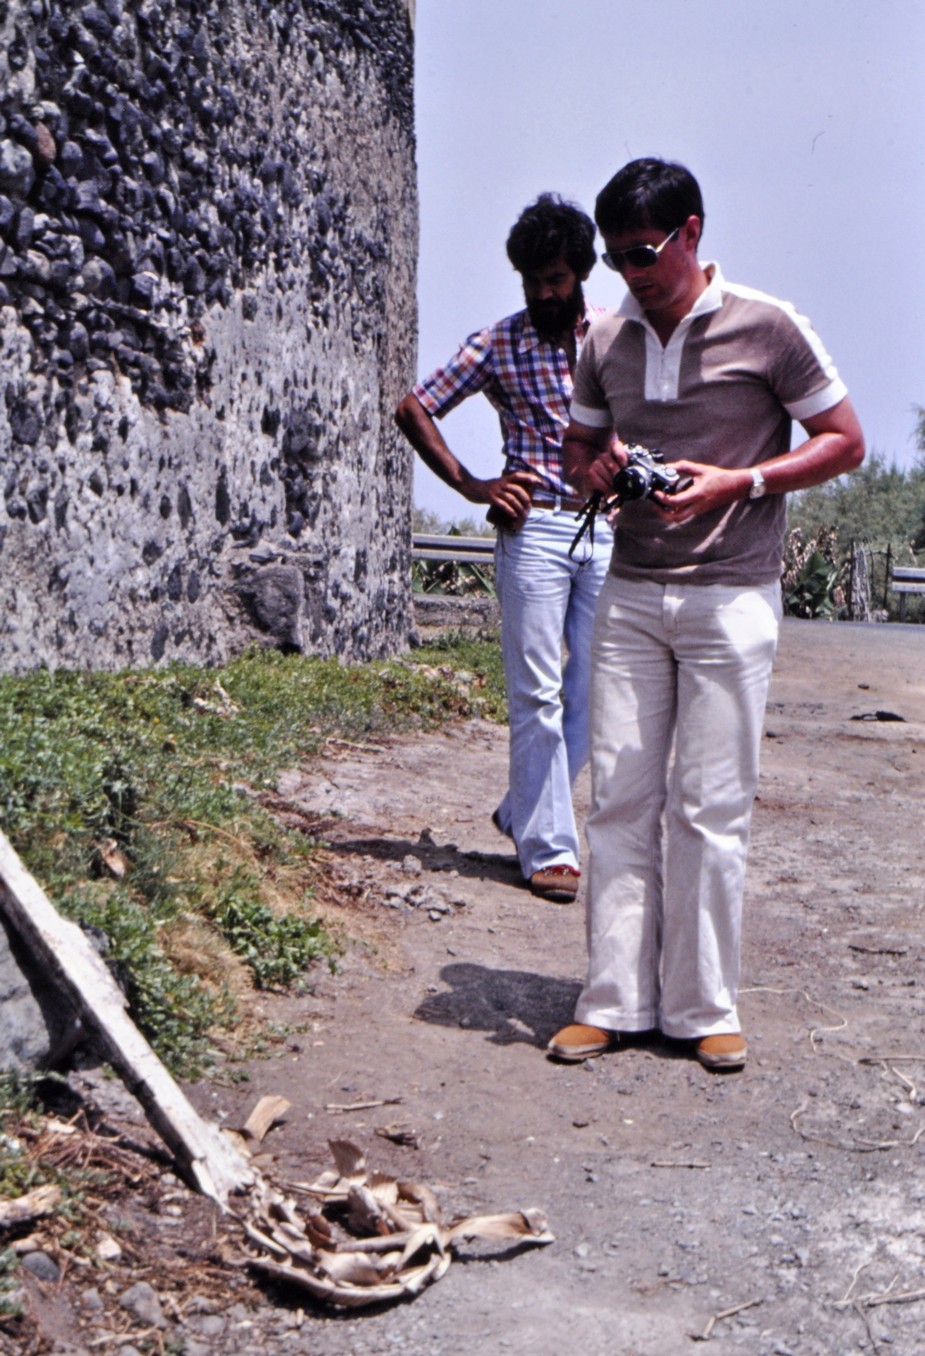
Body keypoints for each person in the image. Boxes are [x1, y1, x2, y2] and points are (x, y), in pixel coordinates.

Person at [547, 159, 864, 1068]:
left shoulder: (768, 325)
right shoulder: (605, 338)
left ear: (690, 232)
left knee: (709, 806)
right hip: (631, 593)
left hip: (731, 593)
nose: (630, 273)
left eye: (643, 253)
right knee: (617, 799)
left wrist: (740, 481)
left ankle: (701, 1008)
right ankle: (613, 1000)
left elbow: (844, 441)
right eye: (614, 258)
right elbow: (577, 445)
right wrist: (596, 470)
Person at [395, 194, 613, 903]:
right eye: (532, 281)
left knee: (598, 691)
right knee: (537, 691)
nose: (543, 293)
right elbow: (414, 406)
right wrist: (472, 485)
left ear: (581, 273)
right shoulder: (498, 343)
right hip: (535, 529)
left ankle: (523, 808)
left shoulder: (618, 337)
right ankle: (550, 848)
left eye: (555, 279)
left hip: (608, 529)